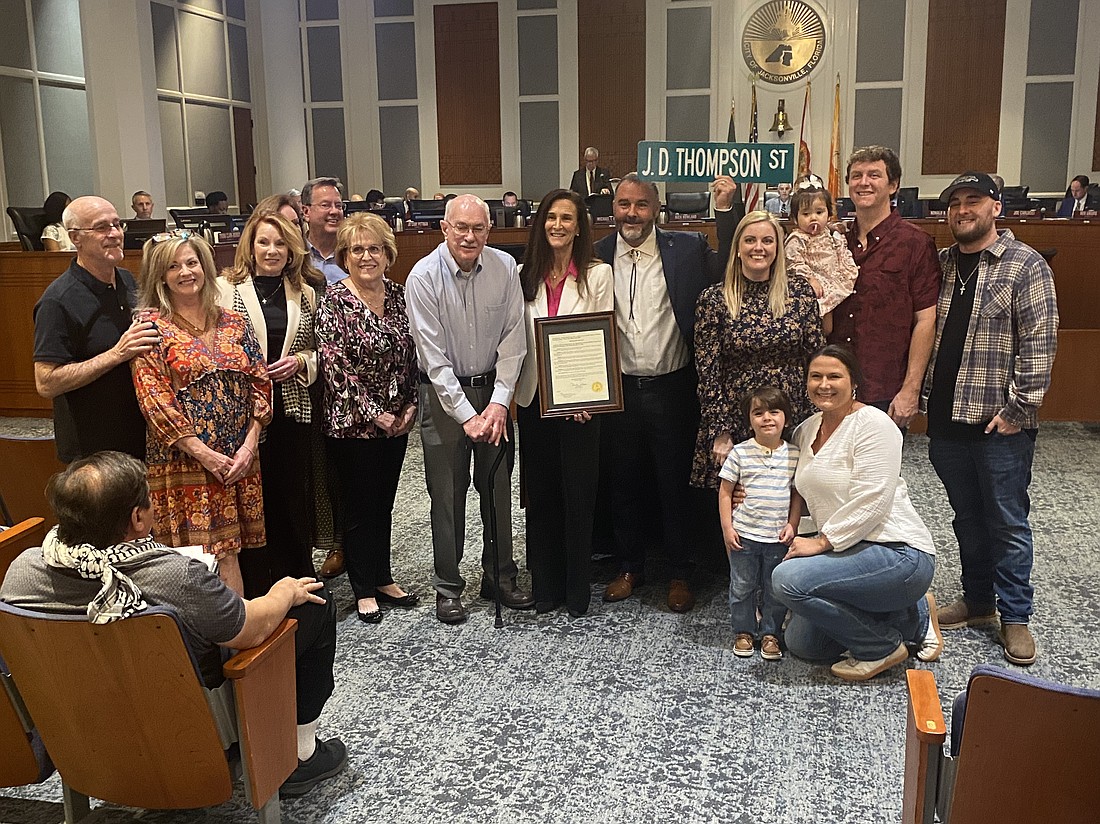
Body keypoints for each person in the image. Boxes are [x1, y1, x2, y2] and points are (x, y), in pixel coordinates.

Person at [0, 450, 346, 798]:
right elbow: (253, 629)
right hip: (185, 724)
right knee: (315, 608)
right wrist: (283, 592)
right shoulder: (176, 577)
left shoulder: (22, 572)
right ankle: (301, 755)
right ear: (137, 518)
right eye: (151, 500)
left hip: (84, 731)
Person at [921, 172, 1059, 667]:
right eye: (954, 203)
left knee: (1006, 521)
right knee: (966, 517)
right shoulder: (941, 265)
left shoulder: (1026, 266)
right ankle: (979, 600)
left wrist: (1019, 410)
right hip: (946, 420)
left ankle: (1015, 616)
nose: (962, 210)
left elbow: (1040, 344)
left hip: (998, 424)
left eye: (972, 201)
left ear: (995, 207)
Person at [595, 174, 742, 612]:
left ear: (655, 209)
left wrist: (725, 211)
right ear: (613, 209)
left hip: (673, 387)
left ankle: (680, 572)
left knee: (675, 482)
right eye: (624, 204)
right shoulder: (598, 254)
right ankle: (629, 566)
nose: (632, 213)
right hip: (617, 390)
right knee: (623, 482)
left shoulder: (687, 249)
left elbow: (728, 265)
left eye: (641, 205)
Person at [771, 345, 941, 682]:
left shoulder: (874, 425)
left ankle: (881, 646)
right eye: (815, 376)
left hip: (897, 550)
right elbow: (797, 486)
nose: (824, 384)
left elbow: (874, 500)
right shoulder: (806, 431)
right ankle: (914, 614)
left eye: (834, 376)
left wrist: (821, 542)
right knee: (804, 644)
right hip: (849, 550)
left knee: (786, 580)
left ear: (854, 383)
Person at [405, 194, 532, 624]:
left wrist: (498, 404)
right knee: (446, 493)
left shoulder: (504, 269)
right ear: (444, 229)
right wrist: (467, 415)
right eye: (461, 227)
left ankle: (500, 575)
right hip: (442, 399)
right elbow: (432, 358)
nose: (469, 236)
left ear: (489, 231)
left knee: (497, 489)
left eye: (478, 228)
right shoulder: (422, 277)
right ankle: (448, 586)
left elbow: (515, 338)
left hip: (493, 395)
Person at [131, 233, 272, 596]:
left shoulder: (233, 322)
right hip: (186, 462)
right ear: (160, 276)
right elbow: (154, 401)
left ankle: (236, 643)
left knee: (232, 553)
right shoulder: (150, 329)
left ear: (205, 267)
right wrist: (206, 455)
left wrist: (248, 446)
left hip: (238, 457)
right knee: (200, 559)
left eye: (191, 263)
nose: (185, 272)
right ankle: (207, 644)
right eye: (173, 266)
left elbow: (260, 382)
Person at [316, 213, 420, 624]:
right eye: (357, 249)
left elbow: (412, 354)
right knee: (359, 507)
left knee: (384, 504)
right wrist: (374, 413)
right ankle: (362, 588)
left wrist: (410, 404)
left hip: (397, 422)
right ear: (345, 255)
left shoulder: (398, 295)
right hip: (352, 424)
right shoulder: (334, 301)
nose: (366, 256)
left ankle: (382, 577)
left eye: (373, 248)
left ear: (387, 253)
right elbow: (335, 367)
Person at [514, 189, 614, 617]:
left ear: (579, 226)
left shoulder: (598, 274)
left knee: (578, 493)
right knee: (540, 495)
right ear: (541, 224)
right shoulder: (522, 275)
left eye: (566, 219)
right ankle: (545, 586)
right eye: (551, 217)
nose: (557, 225)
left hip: (580, 403)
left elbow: (603, 337)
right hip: (534, 399)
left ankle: (576, 591)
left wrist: (586, 394)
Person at [217, 211, 322, 596]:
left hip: (292, 406)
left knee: (291, 494)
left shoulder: (304, 292)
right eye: (264, 242)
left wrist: (301, 362)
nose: (272, 250)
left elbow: (318, 349)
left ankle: (298, 575)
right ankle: (259, 583)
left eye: (280, 243)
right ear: (250, 245)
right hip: (242, 414)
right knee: (251, 496)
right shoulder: (224, 288)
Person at [692, 209, 822, 492]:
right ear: (738, 248)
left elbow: (816, 359)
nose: (759, 248)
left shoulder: (800, 293)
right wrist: (720, 430)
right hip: (736, 417)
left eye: (767, 240)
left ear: (778, 247)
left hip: (792, 415)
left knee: (790, 504)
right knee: (741, 505)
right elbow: (708, 371)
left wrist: (817, 423)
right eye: (750, 240)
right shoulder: (714, 299)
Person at [33, 196, 157, 462]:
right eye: (102, 227)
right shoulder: (57, 301)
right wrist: (116, 354)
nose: (115, 234)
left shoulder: (125, 279)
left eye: (117, 224)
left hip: (137, 435)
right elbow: (45, 382)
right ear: (75, 238)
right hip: (93, 450)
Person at [828, 145, 939, 428]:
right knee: (825, 472)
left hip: (884, 390)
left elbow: (926, 320)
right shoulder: (834, 242)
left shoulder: (915, 243)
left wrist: (911, 389)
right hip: (831, 385)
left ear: (893, 185)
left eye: (874, 175)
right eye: (856, 176)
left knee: (878, 473)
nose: (863, 182)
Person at [718, 386, 802, 660]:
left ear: (786, 419)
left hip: (777, 538)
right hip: (745, 535)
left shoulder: (794, 455)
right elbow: (725, 492)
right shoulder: (740, 453)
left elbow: (795, 495)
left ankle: (770, 633)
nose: (767, 418)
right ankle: (743, 631)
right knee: (742, 586)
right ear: (750, 420)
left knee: (774, 588)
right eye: (758, 412)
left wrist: (792, 524)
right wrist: (728, 528)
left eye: (774, 411)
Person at [783, 185, 860, 336]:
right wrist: (810, 278)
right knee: (826, 325)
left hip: (834, 276)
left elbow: (841, 250)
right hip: (816, 284)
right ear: (794, 218)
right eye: (806, 214)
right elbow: (793, 261)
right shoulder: (798, 238)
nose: (813, 218)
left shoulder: (830, 234)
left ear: (829, 214)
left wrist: (847, 265)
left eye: (819, 212)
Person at [302, 177, 346, 285]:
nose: (334, 211)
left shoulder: (354, 253)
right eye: (325, 205)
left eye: (338, 206)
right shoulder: (295, 254)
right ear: (306, 212)